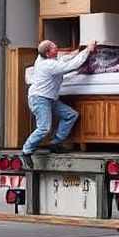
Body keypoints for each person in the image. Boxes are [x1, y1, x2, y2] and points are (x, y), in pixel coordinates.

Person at [22, 39, 97, 168]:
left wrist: (77, 51)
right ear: (48, 53)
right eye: (54, 47)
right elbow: (72, 65)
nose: (57, 48)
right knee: (44, 128)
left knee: (71, 115)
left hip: (50, 99)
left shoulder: (45, 58)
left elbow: (63, 58)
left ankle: (55, 143)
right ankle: (26, 151)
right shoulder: (48, 65)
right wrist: (87, 51)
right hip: (40, 99)